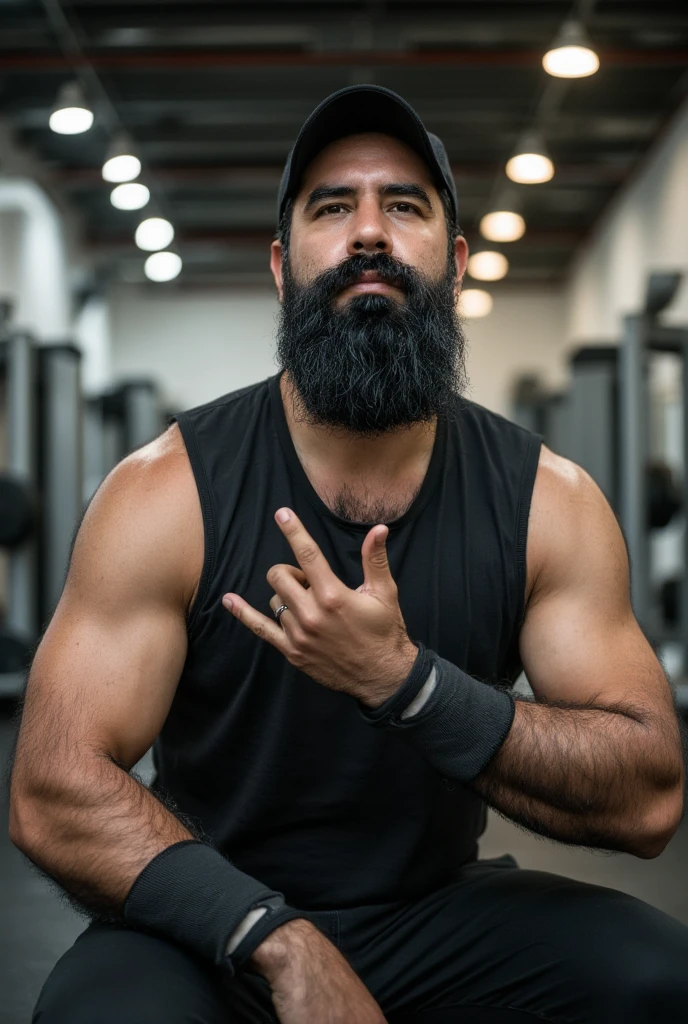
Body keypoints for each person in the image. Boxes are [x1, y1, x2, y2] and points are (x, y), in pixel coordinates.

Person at [9, 85, 688, 1024]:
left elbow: (648, 794)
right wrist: (273, 938)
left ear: (452, 263)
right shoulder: (164, 492)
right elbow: (52, 786)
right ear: (284, 266)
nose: (369, 233)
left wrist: (406, 686)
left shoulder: (547, 501)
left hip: (434, 914)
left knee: (660, 980)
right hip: (211, 921)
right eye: (334, 207)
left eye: (403, 205)